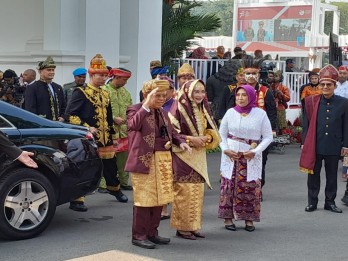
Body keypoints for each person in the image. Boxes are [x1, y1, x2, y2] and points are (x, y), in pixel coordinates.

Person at [125, 79, 191, 249]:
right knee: (144, 200)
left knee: (160, 199)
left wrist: (180, 141)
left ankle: (152, 233)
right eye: (157, 95)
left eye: (163, 95)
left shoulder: (162, 112)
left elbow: (172, 132)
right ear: (147, 95)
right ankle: (139, 235)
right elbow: (133, 125)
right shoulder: (136, 109)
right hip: (144, 161)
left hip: (163, 160)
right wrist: (146, 104)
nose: (162, 98)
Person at [66, 54, 128, 212]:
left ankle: (115, 189)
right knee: (86, 168)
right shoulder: (80, 92)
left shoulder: (105, 93)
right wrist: (87, 127)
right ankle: (77, 199)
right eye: (100, 75)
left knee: (110, 166)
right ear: (92, 75)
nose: (103, 78)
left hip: (105, 137)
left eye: (105, 75)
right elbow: (70, 115)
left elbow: (108, 117)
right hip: (88, 138)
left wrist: (113, 136)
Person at [169, 79, 220, 240]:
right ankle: (182, 228)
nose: (199, 95)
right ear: (188, 92)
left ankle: (193, 226)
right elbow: (172, 133)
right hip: (183, 154)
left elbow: (212, 130)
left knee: (197, 191)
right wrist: (191, 139)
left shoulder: (203, 107)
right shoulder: (178, 107)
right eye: (196, 91)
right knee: (184, 191)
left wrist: (208, 137)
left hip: (199, 156)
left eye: (202, 92)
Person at [219, 84, 273, 232]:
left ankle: (249, 219)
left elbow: (268, 137)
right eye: (238, 95)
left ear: (251, 97)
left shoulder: (260, 114)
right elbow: (221, 134)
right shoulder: (230, 113)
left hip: (250, 155)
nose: (241, 98)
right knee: (228, 186)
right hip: (231, 155)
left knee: (250, 187)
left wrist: (255, 151)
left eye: (244, 95)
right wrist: (226, 150)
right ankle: (227, 218)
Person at [300, 64, 348, 214]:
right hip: (315, 143)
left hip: (334, 144)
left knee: (332, 176)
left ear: (334, 86)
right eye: (323, 84)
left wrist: (346, 145)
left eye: (329, 84)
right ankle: (312, 202)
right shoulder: (311, 101)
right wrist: (304, 143)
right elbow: (306, 124)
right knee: (313, 175)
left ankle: (330, 202)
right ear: (319, 85)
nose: (325, 87)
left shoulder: (344, 103)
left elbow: (346, 125)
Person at [102, 67, 133, 190]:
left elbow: (131, 110)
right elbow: (100, 110)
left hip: (124, 132)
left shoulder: (126, 93)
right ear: (116, 77)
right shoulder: (103, 91)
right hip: (109, 131)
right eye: (124, 79)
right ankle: (104, 184)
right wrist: (113, 118)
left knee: (123, 160)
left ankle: (123, 182)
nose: (125, 82)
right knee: (107, 158)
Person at [25, 56, 66, 121]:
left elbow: (64, 106)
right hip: (41, 126)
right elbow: (30, 109)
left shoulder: (58, 87)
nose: (52, 72)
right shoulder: (32, 87)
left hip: (58, 125)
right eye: (49, 70)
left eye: (53, 70)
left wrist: (63, 117)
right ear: (40, 72)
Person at [270, 70, 290, 134]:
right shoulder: (269, 86)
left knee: (282, 126)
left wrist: (281, 94)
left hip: (280, 108)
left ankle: (282, 139)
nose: (275, 78)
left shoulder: (284, 87)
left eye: (277, 76)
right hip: (271, 108)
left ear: (280, 78)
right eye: (274, 76)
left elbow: (288, 98)